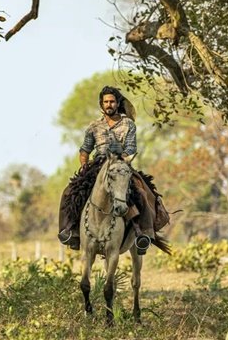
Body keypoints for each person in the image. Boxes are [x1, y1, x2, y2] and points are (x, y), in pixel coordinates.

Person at [58, 86, 167, 254]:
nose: (109, 104)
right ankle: (71, 231)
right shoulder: (94, 126)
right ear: (101, 104)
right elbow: (85, 149)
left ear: (118, 103)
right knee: (69, 191)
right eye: (106, 102)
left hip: (121, 166)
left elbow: (130, 149)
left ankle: (144, 234)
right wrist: (84, 164)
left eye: (112, 101)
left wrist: (120, 161)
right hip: (97, 166)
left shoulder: (128, 124)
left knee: (141, 192)